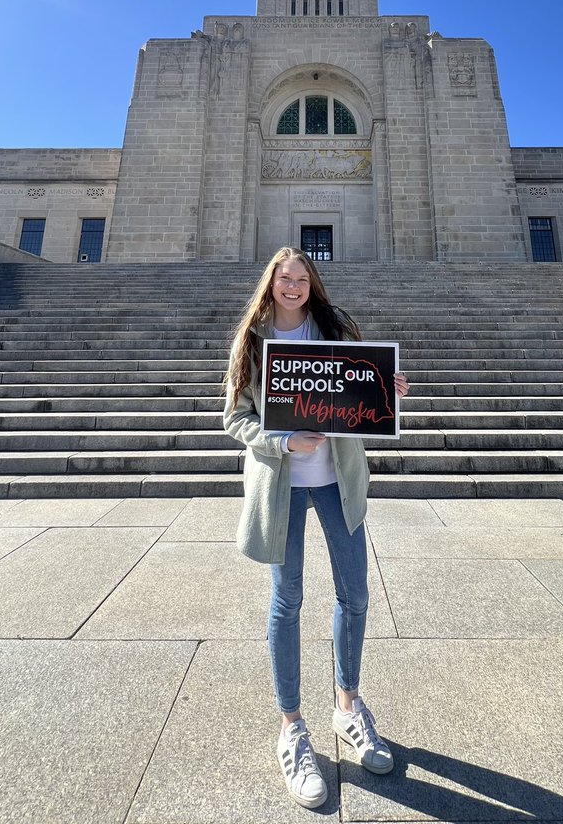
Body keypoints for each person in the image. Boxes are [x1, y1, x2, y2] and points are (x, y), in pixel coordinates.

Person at [223, 246, 409, 810]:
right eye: (285, 279)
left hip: (336, 481)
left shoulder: (337, 331)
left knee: (354, 594)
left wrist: (385, 393)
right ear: (271, 283)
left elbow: (355, 395)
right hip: (282, 485)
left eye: (303, 278)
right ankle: (293, 727)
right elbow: (235, 418)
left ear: (313, 283)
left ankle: (348, 708)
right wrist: (282, 440)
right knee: (288, 600)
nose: (294, 287)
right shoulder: (252, 344)